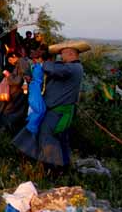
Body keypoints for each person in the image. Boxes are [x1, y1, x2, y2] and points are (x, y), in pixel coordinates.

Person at [12, 40, 89, 168]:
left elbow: (51, 69)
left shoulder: (72, 68)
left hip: (58, 112)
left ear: (70, 53)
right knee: (61, 139)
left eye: (63, 54)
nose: (61, 57)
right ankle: (64, 166)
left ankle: (51, 168)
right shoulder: (72, 67)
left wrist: (44, 61)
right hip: (59, 110)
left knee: (47, 136)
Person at [0, 48, 32, 133]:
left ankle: (7, 133)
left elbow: (18, 81)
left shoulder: (21, 62)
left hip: (17, 95)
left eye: (9, 59)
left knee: (9, 112)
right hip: (18, 94)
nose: (9, 62)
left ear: (14, 56)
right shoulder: (21, 63)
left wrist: (8, 75)